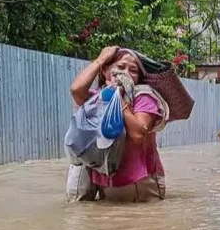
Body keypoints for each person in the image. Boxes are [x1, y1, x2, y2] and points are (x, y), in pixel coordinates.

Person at [68, 46, 167, 201]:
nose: (125, 73)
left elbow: (137, 134)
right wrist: (101, 59)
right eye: (120, 67)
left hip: (140, 185)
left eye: (133, 70)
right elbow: (76, 90)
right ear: (105, 71)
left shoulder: (144, 97)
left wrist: (119, 100)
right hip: (108, 181)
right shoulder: (97, 98)